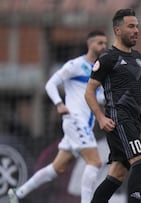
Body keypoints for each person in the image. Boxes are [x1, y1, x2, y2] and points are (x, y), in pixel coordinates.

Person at [8, 30, 108, 203]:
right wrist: (59, 104)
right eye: (99, 43)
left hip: (83, 124)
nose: (103, 47)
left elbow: (99, 97)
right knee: (95, 162)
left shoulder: (98, 70)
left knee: (56, 168)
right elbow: (51, 84)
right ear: (89, 44)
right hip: (75, 121)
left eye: (105, 43)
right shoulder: (75, 65)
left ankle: (18, 193)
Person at [84, 9, 141, 203]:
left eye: (137, 26)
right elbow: (89, 91)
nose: (136, 31)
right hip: (118, 119)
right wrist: (100, 117)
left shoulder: (139, 57)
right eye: (131, 26)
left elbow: (129, 90)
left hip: (133, 119)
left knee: (118, 173)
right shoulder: (107, 58)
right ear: (117, 30)